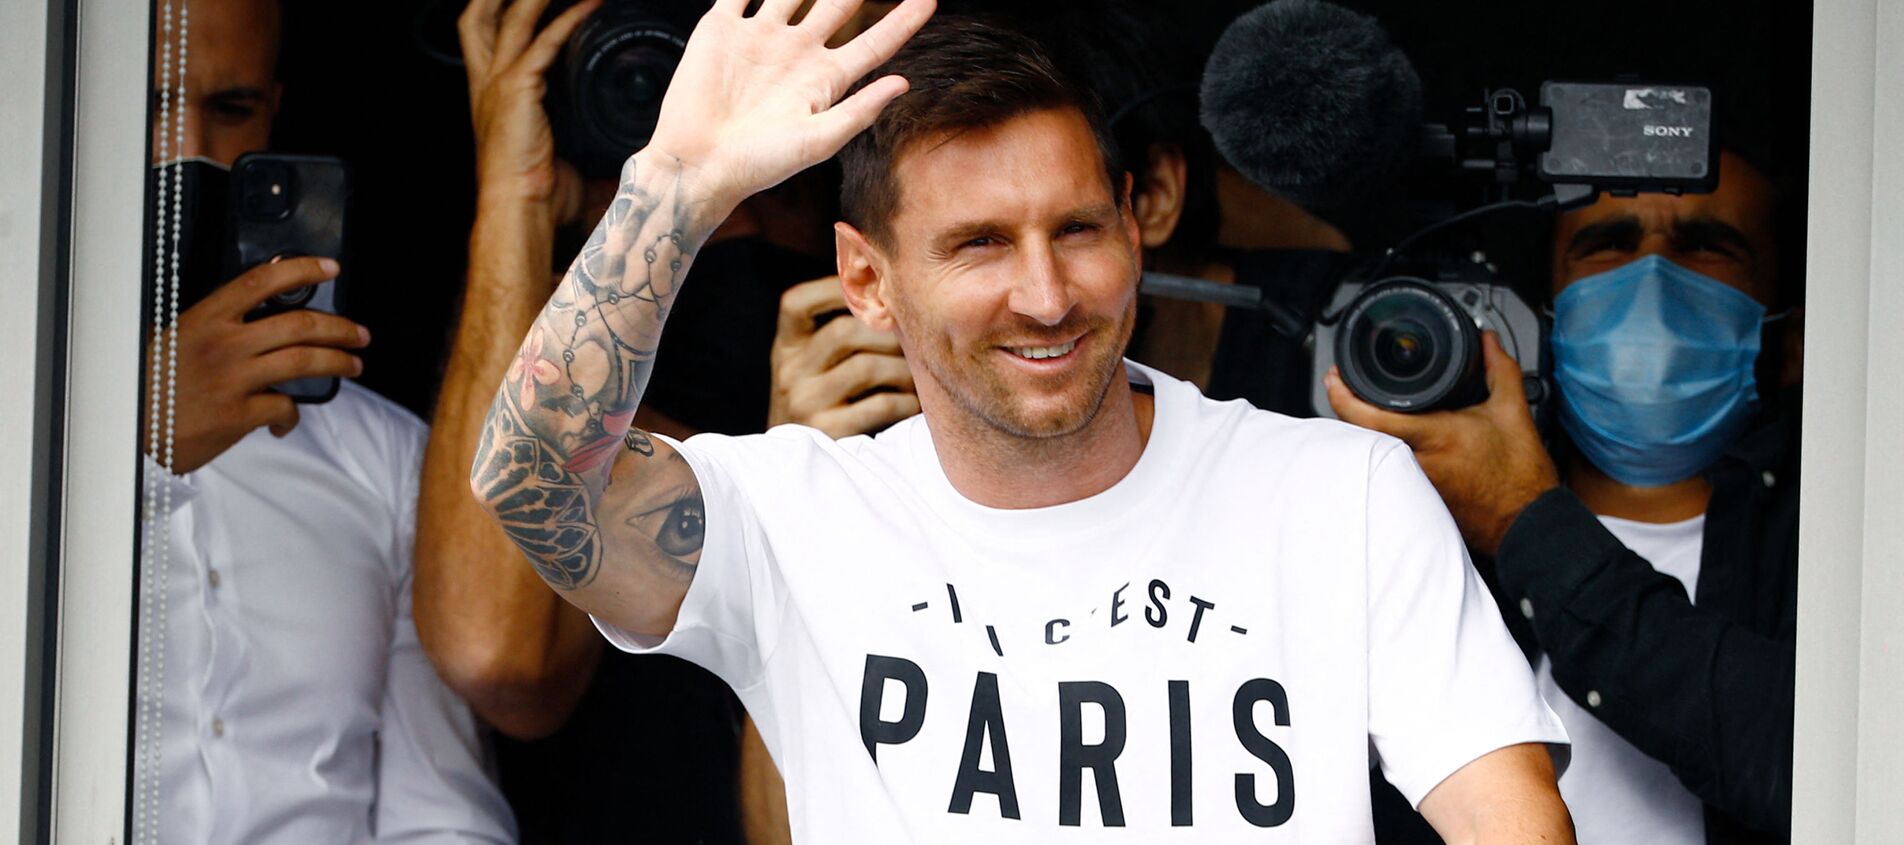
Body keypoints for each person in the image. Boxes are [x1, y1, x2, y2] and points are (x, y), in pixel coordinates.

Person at [469, 3, 1574, 841]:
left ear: (1139, 227)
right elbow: (527, 478)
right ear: (866, 278)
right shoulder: (794, 513)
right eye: (980, 243)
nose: (1048, 295)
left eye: (1079, 229)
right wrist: (675, 184)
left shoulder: (1343, 494)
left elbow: (1508, 814)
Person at [414, 0, 844, 840]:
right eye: (634, 89)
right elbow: (495, 652)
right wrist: (519, 200)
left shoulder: (881, 296)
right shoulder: (529, 301)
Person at [1328, 148, 1800, 844]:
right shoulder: (1417, 529)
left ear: (1787, 335)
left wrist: (1527, 520)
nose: (1652, 278)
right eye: (1608, 244)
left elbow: (1811, 759)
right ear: (1546, 317)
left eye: (1706, 246)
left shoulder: (1841, 544)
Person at [141, 0, 514, 840]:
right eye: (148, 104)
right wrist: (138, 446)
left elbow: (439, 809)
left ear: (272, 112)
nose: (186, 149)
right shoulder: (29, 434)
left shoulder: (381, 457)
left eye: (229, 108)